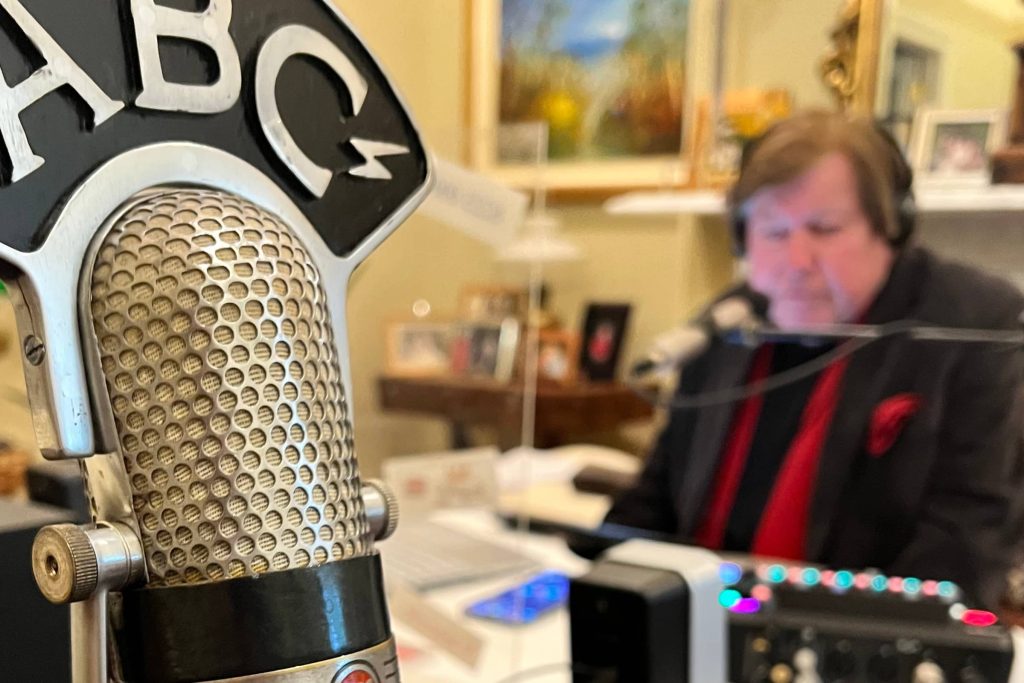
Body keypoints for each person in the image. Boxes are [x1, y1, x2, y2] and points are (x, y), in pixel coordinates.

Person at [605, 110, 1024, 609]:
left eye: (824, 229)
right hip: (708, 624)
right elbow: (657, 500)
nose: (796, 262)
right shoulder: (724, 323)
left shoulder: (974, 322)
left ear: (890, 226)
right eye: (774, 233)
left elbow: (967, 547)